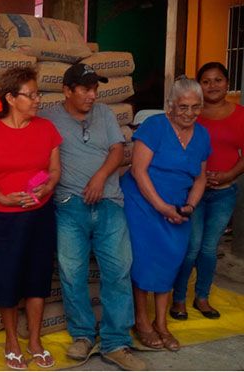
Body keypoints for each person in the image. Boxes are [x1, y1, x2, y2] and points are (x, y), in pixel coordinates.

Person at [40, 63, 145, 371]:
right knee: (72, 273)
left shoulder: (104, 115)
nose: (92, 95)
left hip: (110, 203)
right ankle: (83, 335)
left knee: (118, 271)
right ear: (67, 91)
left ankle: (115, 342)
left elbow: (117, 150)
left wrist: (100, 178)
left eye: (95, 89)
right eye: (85, 89)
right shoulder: (49, 118)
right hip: (69, 204)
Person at [0, 67, 60, 370]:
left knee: (37, 278)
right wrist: (3, 197)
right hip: (3, 219)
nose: (37, 99)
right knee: (6, 279)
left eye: (38, 93)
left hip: (40, 216)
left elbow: (54, 171)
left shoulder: (46, 129)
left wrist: (46, 188)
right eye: (32, 94)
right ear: (11, 98)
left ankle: (35, 340)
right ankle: (12, 341)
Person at [121, 77, 209, 352]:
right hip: (143, 205)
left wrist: (190, 207)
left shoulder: (202, 135)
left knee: (171, 262)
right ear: (170, 106)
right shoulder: (154, 127)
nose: (189, 113)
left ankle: (162, 323)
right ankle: (142, 321)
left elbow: (201, 178)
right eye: (183, 107)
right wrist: (161, 207)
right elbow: (138, 170)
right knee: (144, 262)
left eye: (195, 107)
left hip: (179, 209)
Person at [171, 63, 244, 320]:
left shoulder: (240, 115)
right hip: (193, 193)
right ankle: (178, 299)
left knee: (209, 249)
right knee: (191, 247)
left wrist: (229, 174)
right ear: (198, 84)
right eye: (206, 81)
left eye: (219, 80)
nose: (213, 86)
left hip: (224, 193)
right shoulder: (191, 113)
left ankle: (202, 297)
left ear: (227, 82)